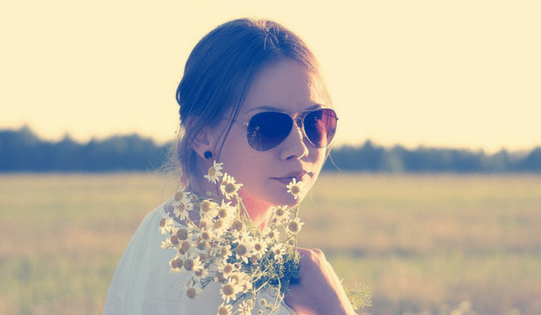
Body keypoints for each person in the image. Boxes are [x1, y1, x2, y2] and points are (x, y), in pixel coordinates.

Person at [104, 18, 355, 315]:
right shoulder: (239, 289)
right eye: (268, 125)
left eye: (316, 121)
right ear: (201, 136)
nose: (300, 147)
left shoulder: (161, 227)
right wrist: (335, 309)